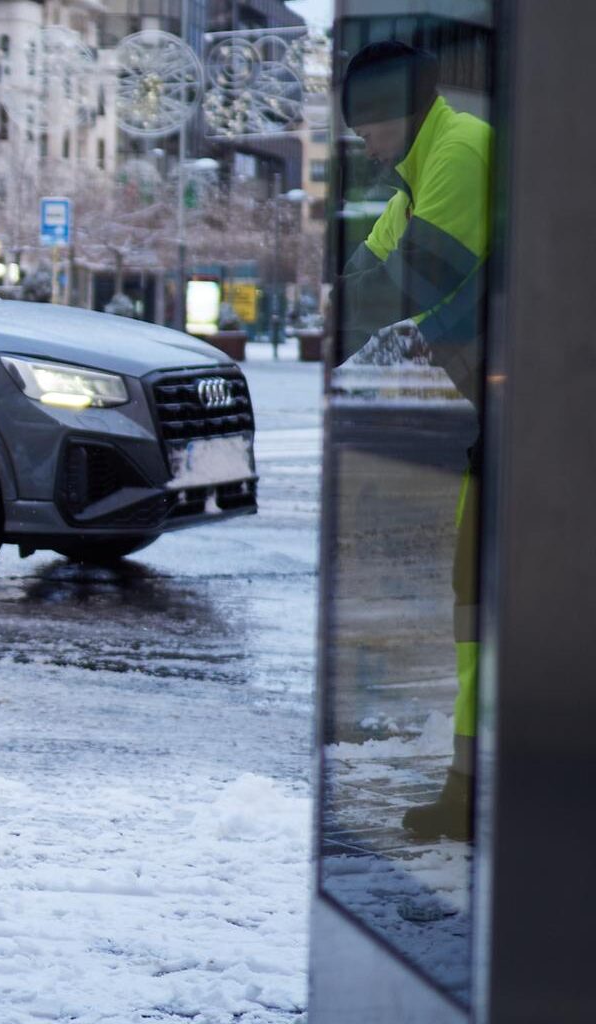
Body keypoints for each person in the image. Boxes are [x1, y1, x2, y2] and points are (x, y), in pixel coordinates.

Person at [336, 41, 491, 841]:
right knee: (470, 609)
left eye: (367, 121)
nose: (359, 139)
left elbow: (415, 282)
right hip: (489, 425)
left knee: (486, 604)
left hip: (531, 421)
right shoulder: (412, 177)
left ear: (403, 109)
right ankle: (465, 791)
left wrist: (393, 321)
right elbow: (362, 287)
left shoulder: (459, 151)